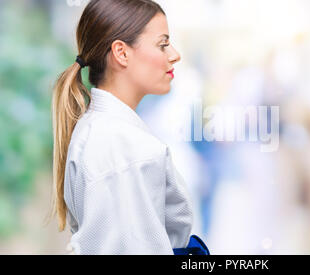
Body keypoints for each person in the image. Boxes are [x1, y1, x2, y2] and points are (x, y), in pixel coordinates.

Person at [50, 0, 207, 255]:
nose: (175, 54)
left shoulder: (101, 131)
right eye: (163, 44)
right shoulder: (125, 148)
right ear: (121, 53)